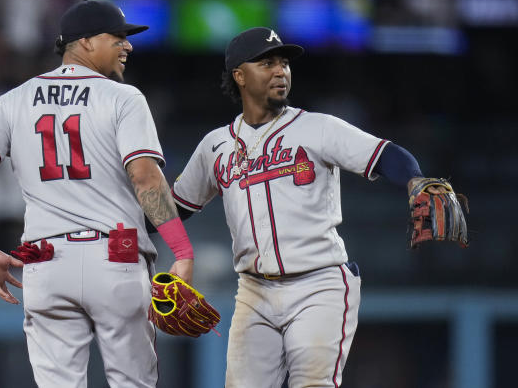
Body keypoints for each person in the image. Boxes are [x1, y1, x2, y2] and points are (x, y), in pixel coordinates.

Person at [171, 27, 448, 387]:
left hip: (318, 284)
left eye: (284, 62)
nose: (280, 70)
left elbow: (386, 155)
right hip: (253, 291)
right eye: (267, 62)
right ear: (239, 75)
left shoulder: (316, 128)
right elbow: (174, 208)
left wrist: (414, 180)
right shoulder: (215, 146)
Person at [0, 0, 194, 388]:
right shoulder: (123, 98)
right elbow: (146, 179)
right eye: (116, 36)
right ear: (83, 42)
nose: (127, 45)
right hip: (116, 257)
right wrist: (182, 251)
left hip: (46, 264)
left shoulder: (12, 101)